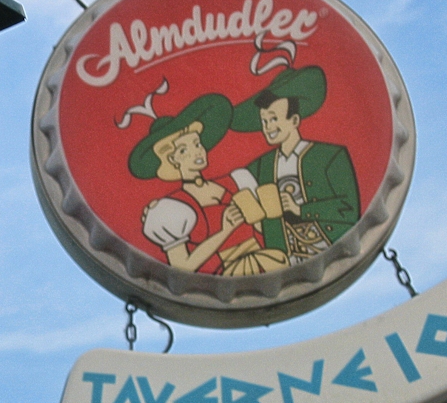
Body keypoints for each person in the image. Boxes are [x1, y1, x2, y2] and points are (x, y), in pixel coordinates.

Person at [131, 94, 288, 275]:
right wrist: (225, 231)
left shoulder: (238, 180)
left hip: (269, 261)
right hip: (226, 275)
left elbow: (262, 231)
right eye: (184, 150)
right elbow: (183, 265)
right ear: (172, 159)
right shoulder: (171, 208)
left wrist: (271, 215)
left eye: (197, 144)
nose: (197, 152)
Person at [230, 66, 360, 264]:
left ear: (294, 120)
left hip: (325, 245)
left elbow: (349, 208)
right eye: (264, 121)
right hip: (281, 258)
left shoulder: (329, 156)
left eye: (274, 119)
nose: (268, 127)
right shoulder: (261, 166)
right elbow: (235, 188)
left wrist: (300, 209)